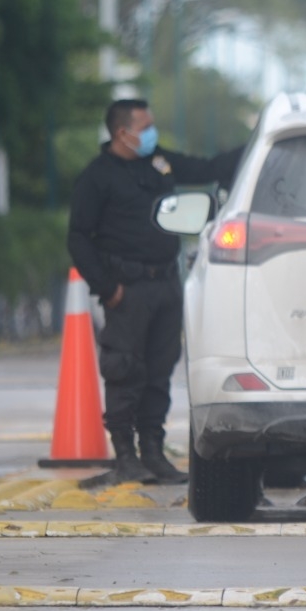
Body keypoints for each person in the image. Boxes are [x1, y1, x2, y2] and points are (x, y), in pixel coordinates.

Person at [67, 98, 244, 487]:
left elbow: (205, 169)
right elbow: (78, 238)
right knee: (124, 370)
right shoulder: (97, 178)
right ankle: (125, 456)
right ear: (122, 133)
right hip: (126, 289)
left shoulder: (158, 162)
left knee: (159, 371)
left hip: (165, 284)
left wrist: (256, 145)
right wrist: (107, 288)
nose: (151, 133)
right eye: (144, 126)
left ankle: (153, 452)